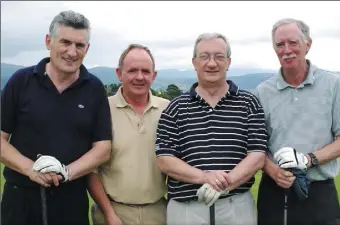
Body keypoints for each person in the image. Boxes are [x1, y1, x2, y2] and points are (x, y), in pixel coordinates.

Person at [0, 10, 112, 225]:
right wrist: (30, 169)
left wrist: (66, 172)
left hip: (71, 198)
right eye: (65, 42)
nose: (72, 52)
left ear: (87, 49)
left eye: (79, 46)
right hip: (20, 197)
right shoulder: (20, 81)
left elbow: (102, 149)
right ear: (48, 41)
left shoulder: (95, 88)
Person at [155, 32, 268, 225]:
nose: (212, 63)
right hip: (187, 209)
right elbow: (165, 159)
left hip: (236, 207)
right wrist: (204, 177)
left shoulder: (249, 103)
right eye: (204, 57)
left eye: (219, 57)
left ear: (229, 62)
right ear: (194, 62)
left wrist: (227, 182)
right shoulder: (175, 108)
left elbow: (257, 154)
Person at [255, 18, 340, 225]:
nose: (286, 50)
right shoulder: (262, 92)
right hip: (274, 190)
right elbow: (256, 147)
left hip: (320, 192)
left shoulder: (333, 83)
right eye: (280, 44)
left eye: (293, 42)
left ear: (307, 45)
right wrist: (273, 170)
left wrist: (307, 160)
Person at [88, 44, 170, 225]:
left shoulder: (168, 110)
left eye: (146, 71)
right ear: (119, 73)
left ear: (154, 76)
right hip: (112, 212)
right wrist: (109, 214)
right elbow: (91, 170)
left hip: (159, 212)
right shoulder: (101, 110)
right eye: (132, 70)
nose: (139, 77)